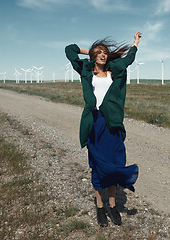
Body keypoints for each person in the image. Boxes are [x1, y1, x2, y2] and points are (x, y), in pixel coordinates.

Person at [65, 32, 142, 227]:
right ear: (93, 55)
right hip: (95, 122)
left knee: (114, 164)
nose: (102, 55)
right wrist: (89, 51)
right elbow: (69, 49)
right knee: (99, 166)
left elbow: (130, 58)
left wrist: (135, 44)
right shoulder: (85, 69)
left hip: (112, 123)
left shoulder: (114, 70)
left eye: (105, 52)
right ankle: (100, 206)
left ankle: (113, 205)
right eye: (98, 52)